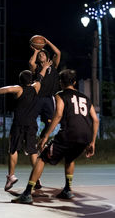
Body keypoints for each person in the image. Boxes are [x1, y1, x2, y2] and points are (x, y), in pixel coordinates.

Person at [12, 68, 99, 204]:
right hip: (85, 136)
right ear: (74, 82)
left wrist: (46, 135)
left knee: (41, 159)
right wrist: (92, 142)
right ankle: (68, 190)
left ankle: (27, 193)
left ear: (60, 83)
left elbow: (58, 114)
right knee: (70, 158)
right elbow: (95, 119)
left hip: (69, 133)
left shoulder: (60, 94)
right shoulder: (85, 98)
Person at [0, 61, 51, 192]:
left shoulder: (19, 89)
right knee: (33, 151)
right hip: (31, 124)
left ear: (20, 80)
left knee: (13, 149)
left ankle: (11, 176)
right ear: (31, 79)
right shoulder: (36, 87)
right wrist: (46, 67)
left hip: (18, 124)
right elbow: (40, 77)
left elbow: (7, 89)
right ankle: (36, 178)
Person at [29, 36, 61, 139]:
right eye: (39, 55)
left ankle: (41, 140)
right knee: (30, 121)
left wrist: (47, 41)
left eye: (43, 54)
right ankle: (30, 141)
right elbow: (31, 63)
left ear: (48, 57)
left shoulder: (53, 66)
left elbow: (58, 53)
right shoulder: (36, 68)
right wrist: (36, 51)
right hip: (37, 97)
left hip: (48, 98)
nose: (41, 55)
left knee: (50, 123)